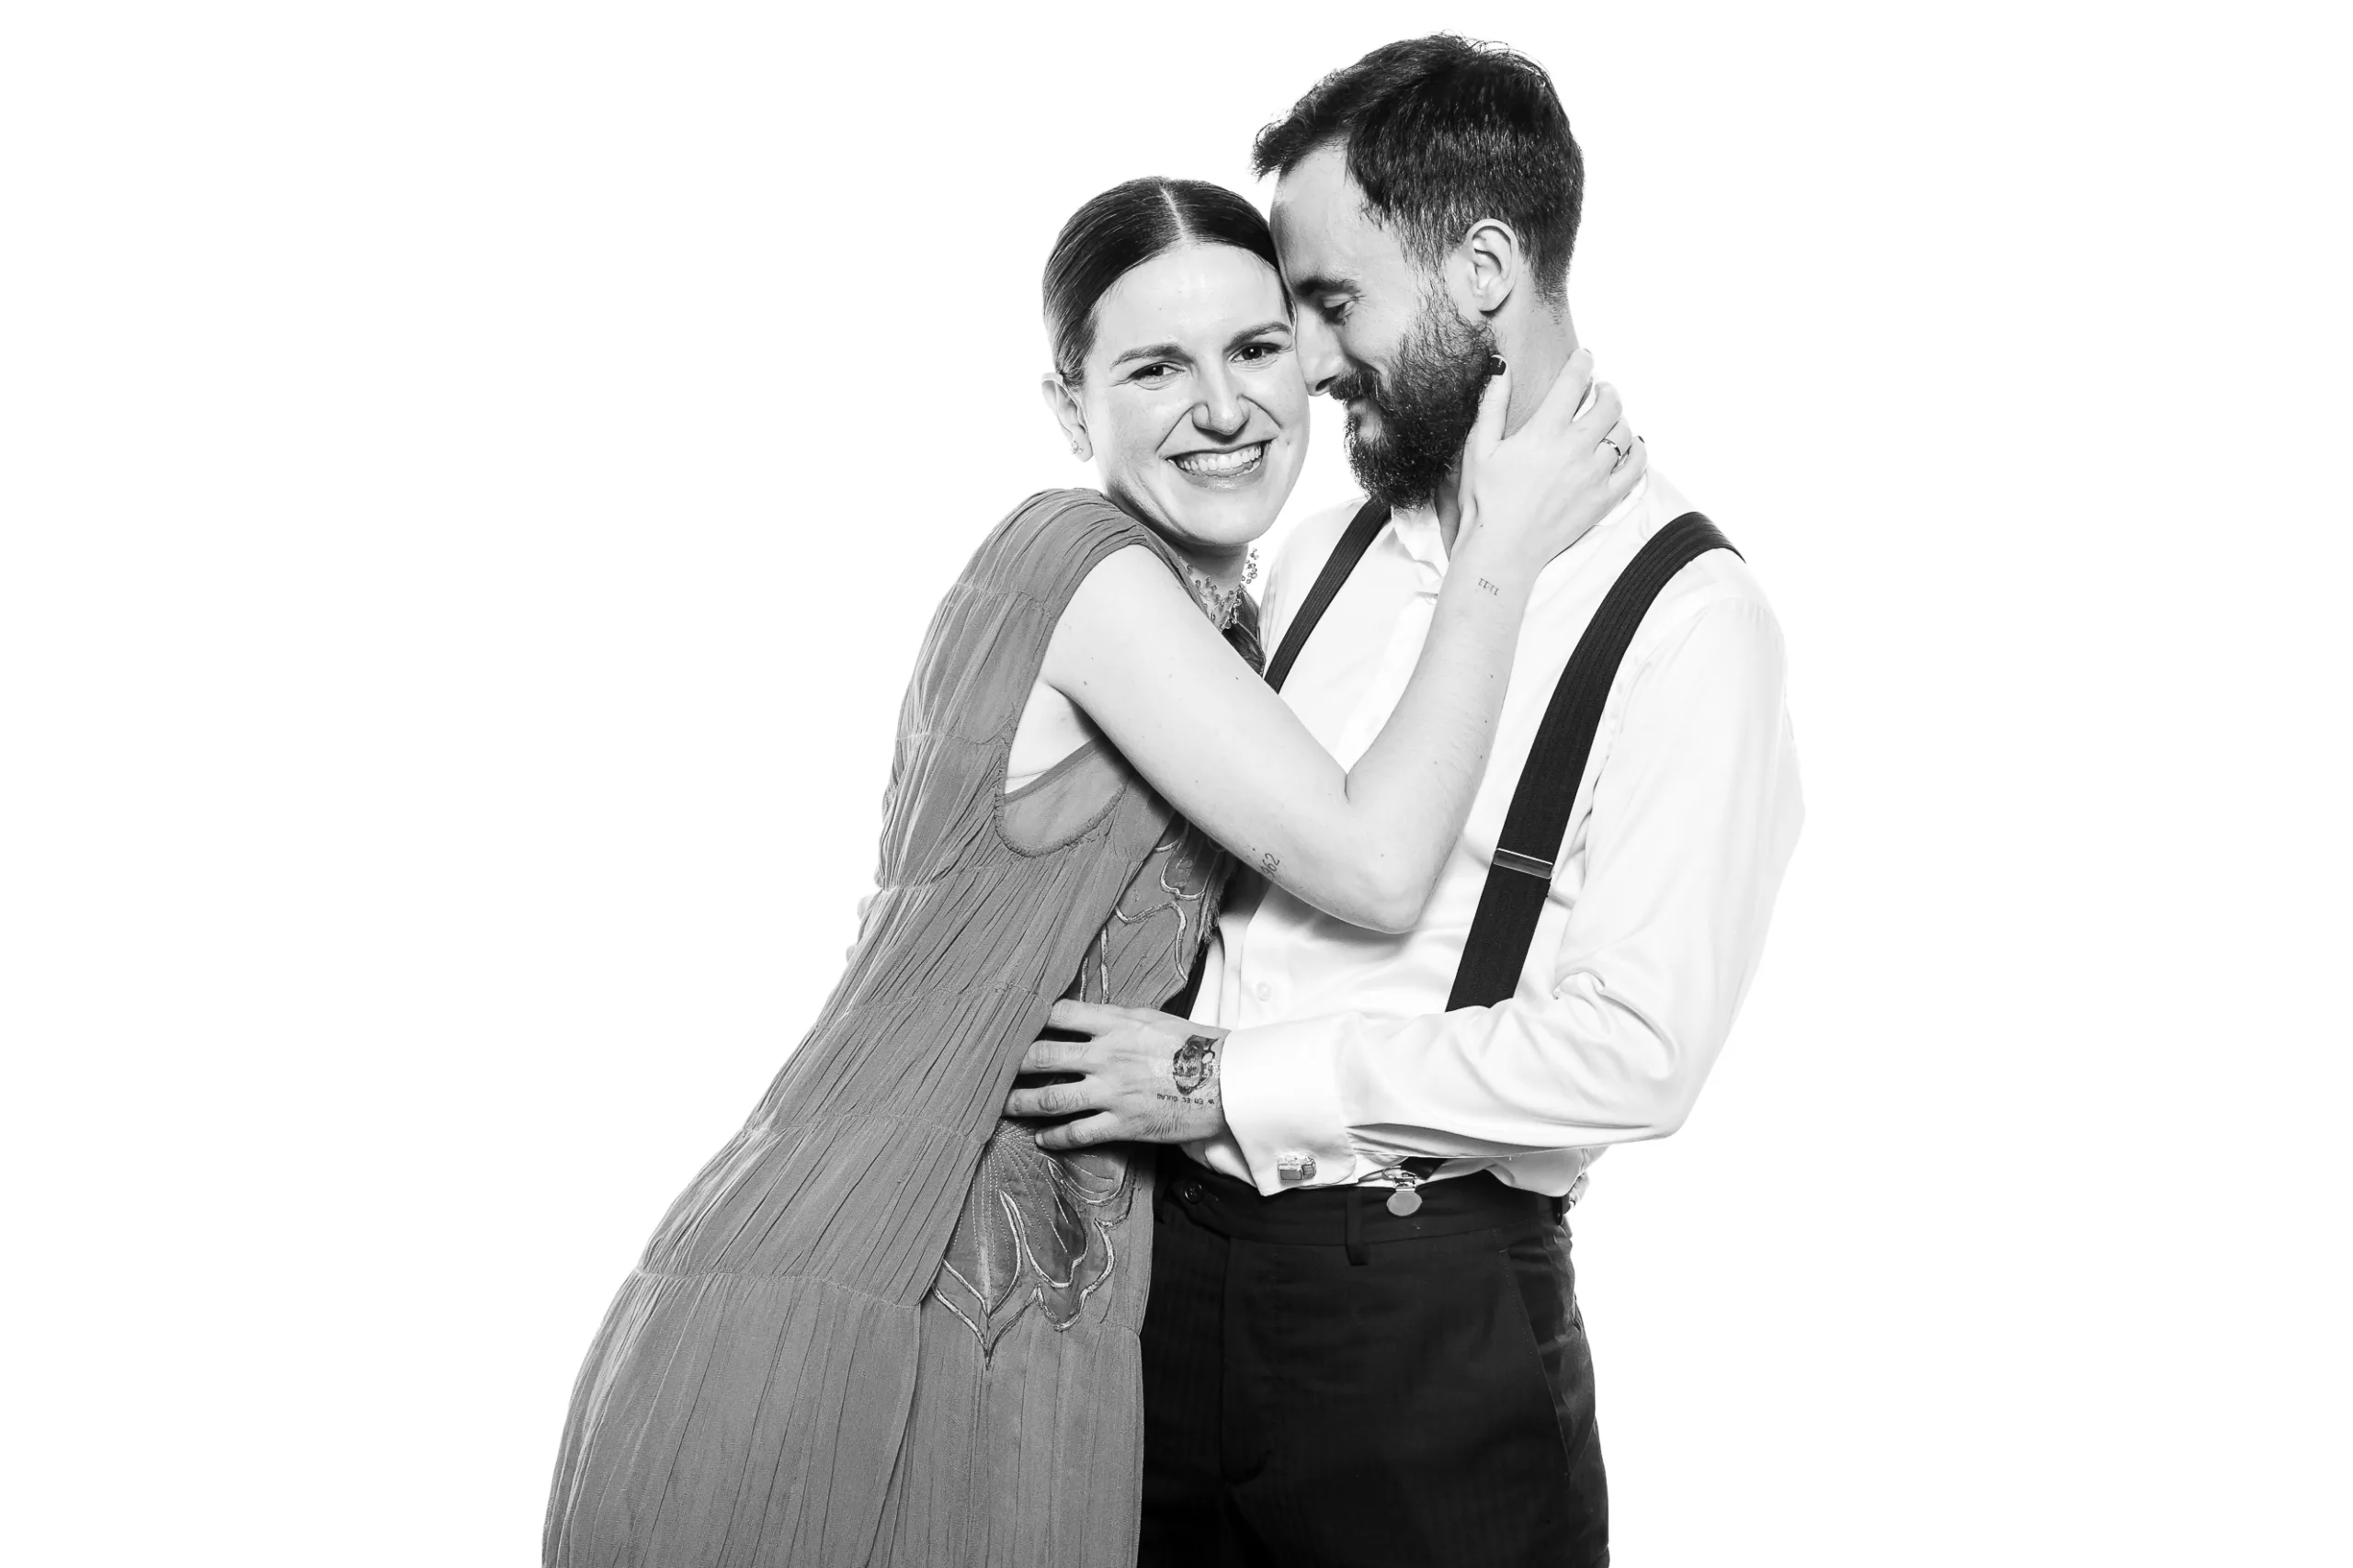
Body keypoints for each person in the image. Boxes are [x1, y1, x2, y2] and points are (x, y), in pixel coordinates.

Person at [542, 175, 1642, 1566]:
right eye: (1155, 368)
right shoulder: (1083, 567)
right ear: (1072, 408)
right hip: (881, 1281)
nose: (1224, 406)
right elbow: (1375, 862)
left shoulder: (1220, 607)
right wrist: (1502, 546)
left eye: (1255, 348)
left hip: (1026, 1306)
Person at [1007, 37, 1806, 1568]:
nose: (1305, 366)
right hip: (1170, 1288)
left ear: (1484, 270)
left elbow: (1637, 1053)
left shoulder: (1690, 618)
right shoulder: (1318, 549)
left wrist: (1230, 1080)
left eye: (1330, 303)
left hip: (1421, 1327)